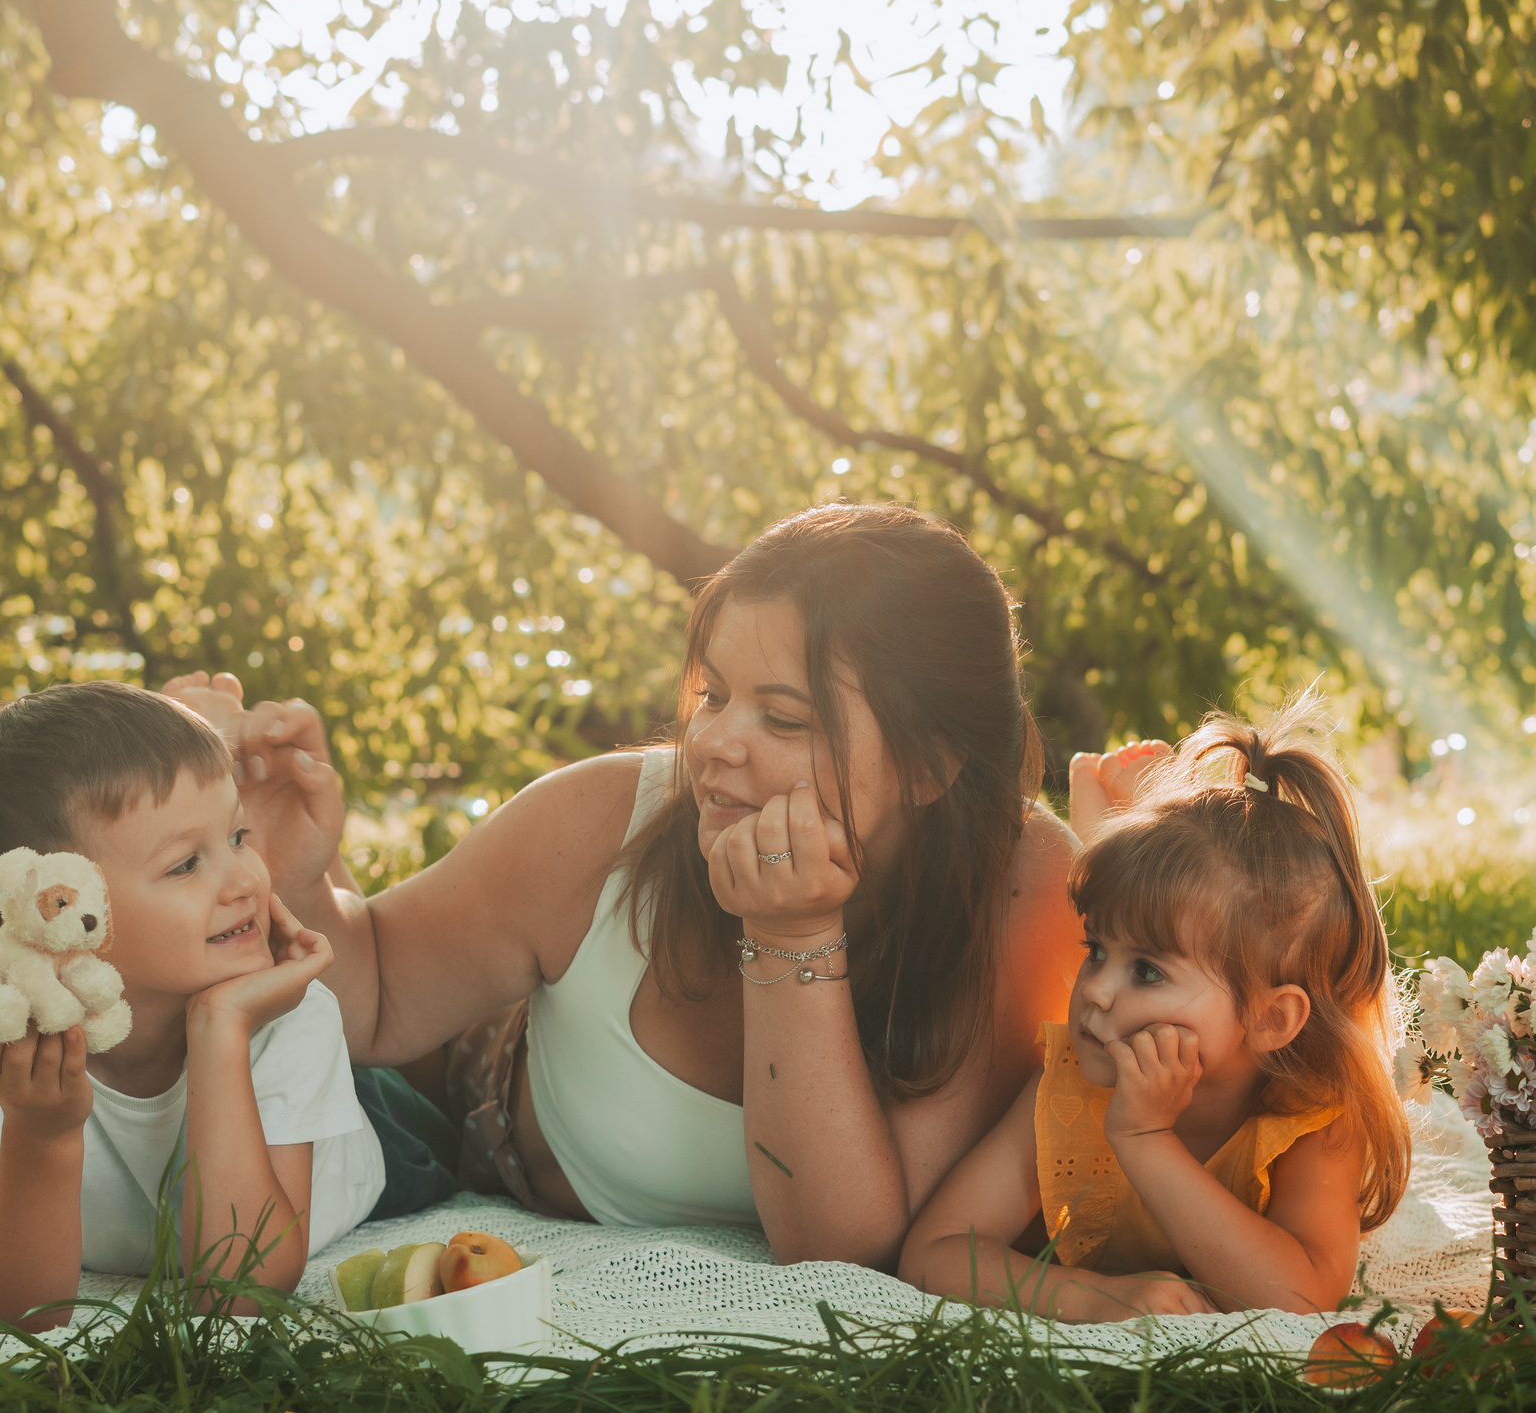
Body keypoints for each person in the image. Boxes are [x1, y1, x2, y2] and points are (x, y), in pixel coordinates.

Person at [169, 504, 1087, 1268]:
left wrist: (793, 934)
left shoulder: (1023, 887)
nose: (716, 743)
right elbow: (375, 998)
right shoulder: (601, 820)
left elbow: (847, 1247)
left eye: (784, 716)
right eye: (717, 694)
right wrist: (284, 862)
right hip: (443, 1118)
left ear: (931, 766)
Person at [0, 682, 451, 1331]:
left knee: (461, 1106)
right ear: (47, 920)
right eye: (185, 864)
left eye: (239, 834)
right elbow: (23, 1308)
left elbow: (239, 1293)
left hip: (382, 1139)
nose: (247, 878)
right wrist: (41, 1134)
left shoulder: (288, 1009)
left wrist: (221, 1029)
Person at [900, 696, 1412, 1320]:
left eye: (1147, 970)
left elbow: (1303, 1296)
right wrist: (1098, 1297)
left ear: (1271, 1019)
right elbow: (934, 1252)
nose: (1096, 990)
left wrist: (1145, 1140)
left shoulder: (1312, 1117)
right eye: (1095, 950)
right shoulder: (1070, 1089)